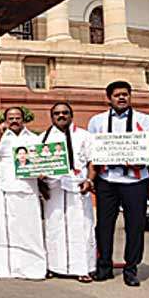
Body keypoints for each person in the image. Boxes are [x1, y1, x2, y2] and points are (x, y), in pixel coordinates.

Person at [86, 81, 149, 286]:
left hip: (135, 180)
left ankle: (131, 268)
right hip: (107, 179)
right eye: (117, 95)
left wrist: (141, 160)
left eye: (125, 94)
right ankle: (104, 266)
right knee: (104, 226)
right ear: (109, 98)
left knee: (135, 226)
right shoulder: (97, 121)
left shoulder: (145, 120)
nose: (122, 98)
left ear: (130, 96)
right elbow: (91, 150)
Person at [38, 102, 95, 283]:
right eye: (57, 113)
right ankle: (55, 266)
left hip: (78, 187)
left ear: (71, 115)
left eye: (65, 113)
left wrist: (90, 180)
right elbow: (35, 166)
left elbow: (93, 161)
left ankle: (84, 268)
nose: (61, 116)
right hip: (54, 189)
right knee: (55, 227)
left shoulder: (84, 136)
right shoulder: (42, 138)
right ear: (51, 116)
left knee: (82, 227)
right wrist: (41, 185)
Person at [0, 107, 46, 280]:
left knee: (29, 231)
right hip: (7, 190)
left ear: (23, 119)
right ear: (5, 120)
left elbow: (44, 163)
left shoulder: (35, 139)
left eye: (17, 117)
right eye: (10, 118)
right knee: (6, 232)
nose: (14, 121)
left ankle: (33, 268)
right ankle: (7, 268)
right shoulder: (0, 138)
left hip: (28, 190)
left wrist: (42, 173)